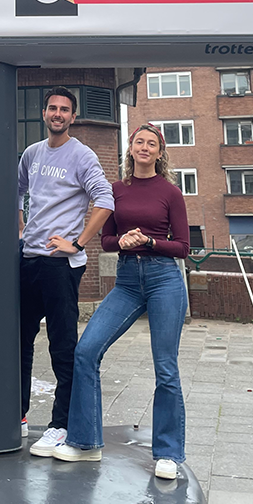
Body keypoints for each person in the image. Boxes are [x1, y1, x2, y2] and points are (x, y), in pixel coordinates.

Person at [52, 122, 190, 478]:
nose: (144, 148)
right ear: (130, 149)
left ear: (160, 152)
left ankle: (169, 454)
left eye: (151, 144)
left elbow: (184, 247)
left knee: (166, 367)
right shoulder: (116, 190)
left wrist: (149, 242)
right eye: (138, 142)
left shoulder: (170, 192)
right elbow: (108, 239)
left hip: (164, 280)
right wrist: (125, 241)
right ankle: (85, 443)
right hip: (127, 281)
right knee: (86, 351)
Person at [19, 87, 115, 458]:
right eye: (53, 108)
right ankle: (20, 414)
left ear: (72, 117)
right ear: (44, 113)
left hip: (62, 265)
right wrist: (20, 229)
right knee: (20, 343)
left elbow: (104, 199)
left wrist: (77, 243)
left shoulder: (82, 155)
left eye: (65, 110)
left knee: (62, 347)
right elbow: (17, 190)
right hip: (28, 260)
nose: (58, 114)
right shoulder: (32, 154)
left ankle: (60, 425)